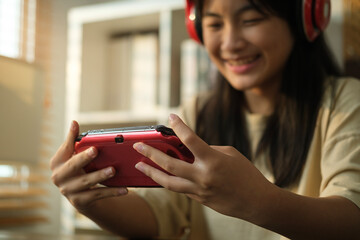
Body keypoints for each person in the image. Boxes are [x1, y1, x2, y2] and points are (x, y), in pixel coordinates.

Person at [50, 0, 360, 239]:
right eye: (214, 24)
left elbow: (352, 219)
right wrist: (90, 202)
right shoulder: (196, 113)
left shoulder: (346, 102)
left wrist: (258, 201)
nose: (230, 43)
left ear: (305, 18)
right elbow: (157, 216)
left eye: (251, 20)